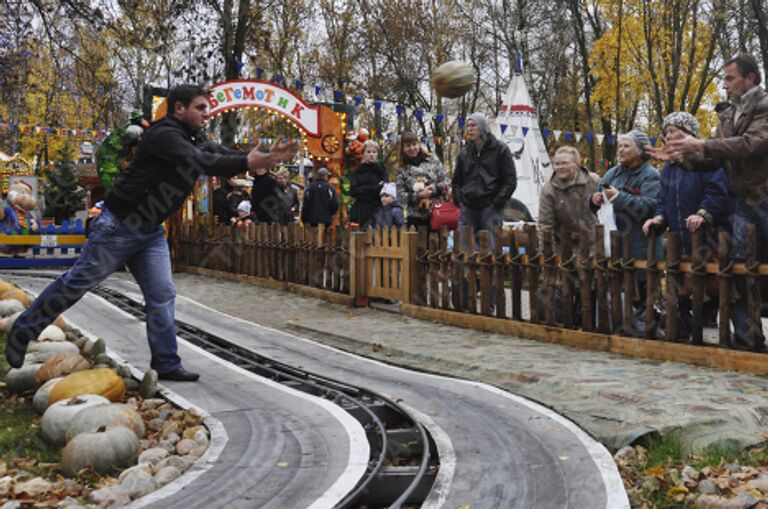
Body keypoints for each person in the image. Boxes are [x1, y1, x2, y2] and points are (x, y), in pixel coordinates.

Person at [4, 84, 297, 379]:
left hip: (150, 232)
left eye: (207, 108)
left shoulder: (194, 137)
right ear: (179, 108)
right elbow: (200, 161)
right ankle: (23, 330)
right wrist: (248, 161)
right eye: (200, 107)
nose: (206, 114)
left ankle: (167, 364)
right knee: (78, 282)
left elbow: (218, 155)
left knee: (162, 293)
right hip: (119, 226)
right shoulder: (165, 135)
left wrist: (266, 157)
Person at [651, 53, 768, 348]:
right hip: (745, 203)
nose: (725, 85)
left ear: (750, 79)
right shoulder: (728, 114)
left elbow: (751, 144)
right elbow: (714, 158)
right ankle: (749, 342)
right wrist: (683, 157)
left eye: (730, 78)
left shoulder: (765, 107)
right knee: (740, 272)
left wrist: (700, 144)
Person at [642, 112, 732, 338]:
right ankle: (683, 328)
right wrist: (659, 219)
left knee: (713, 285)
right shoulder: (668, 169)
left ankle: (723, 332)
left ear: (690, 135)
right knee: (682, 285)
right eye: (667, 132)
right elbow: (663, 200)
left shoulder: (707, 162)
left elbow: (718, 191)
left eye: (676, 132)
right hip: (680, 237)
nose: (670, 136)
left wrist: (703, 213)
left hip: (708, 235)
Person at [590, 130, 660, 334]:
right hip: (615, 243)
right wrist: (594, 200)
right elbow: (598, 192)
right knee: (617, 288)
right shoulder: (613, 172)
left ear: (640, 151)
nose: (621, 150)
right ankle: (619, 329)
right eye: (620, 146)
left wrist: (618, 197)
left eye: (626, 146)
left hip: (641, 245)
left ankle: (647, 332)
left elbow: (650, 206)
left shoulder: (651, 175)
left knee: (643, 292)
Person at [451, 113, 516, 250]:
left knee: (491, 250)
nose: (469, 129)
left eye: (473, 125)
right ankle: (466, 272)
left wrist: (497, 202)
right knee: (464, 249)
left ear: (483, 127)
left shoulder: (501, 150)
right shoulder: (464, 153)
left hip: (490, 207)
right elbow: (456, 182)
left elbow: (510, 181)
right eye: (467, 126)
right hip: (467, 208)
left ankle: (492, 272)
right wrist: (460, 202)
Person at [537, 145, 600, 248]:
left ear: (576, 164)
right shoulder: (548, 190)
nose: (560, 167)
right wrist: (547, 254)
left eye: (564, 163)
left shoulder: (593, 181)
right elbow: (545, 225)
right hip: (564, 247)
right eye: (557, 164)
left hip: (594, 244)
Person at [395, 132, 448, 230]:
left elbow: (446, 182)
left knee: (438, 244)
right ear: (403, 148)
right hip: (415, 217)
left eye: (414, 144)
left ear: (419, 144)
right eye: (408, 145)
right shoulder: (401, 170)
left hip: (438, 212)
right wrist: (418, 195)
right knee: (418, 245)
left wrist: (433, 189)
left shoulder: (433, 160)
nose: (412, 148)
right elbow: (400, 196)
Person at [350, 140, 386, 229]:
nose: (371, 154)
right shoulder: (357, 171)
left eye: (374, 152)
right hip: (361, 210)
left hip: (377, 209)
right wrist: (375, 188)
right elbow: (354, 191)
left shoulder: (381, 170)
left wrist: (364, 189)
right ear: (363, 154)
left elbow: (384, 190)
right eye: (368, 152)